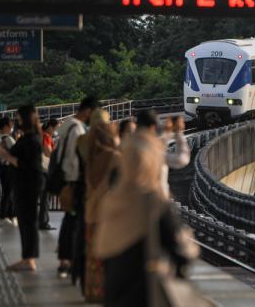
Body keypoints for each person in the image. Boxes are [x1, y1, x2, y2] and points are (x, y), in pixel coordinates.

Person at [94, 127, 196, 307]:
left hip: (113, 292)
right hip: (145, 294)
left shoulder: (111, 199)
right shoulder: (153, 202)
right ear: (152, 163)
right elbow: (182, 251)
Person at [76, 111, 120, 303]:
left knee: (92, 255)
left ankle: (91, 292)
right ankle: (106, 292)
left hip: (90, 211)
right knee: (109, 255)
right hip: (109, 214)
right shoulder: (114, 157)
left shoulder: (88, 155)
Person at [55, 96, 100, 278]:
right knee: (74, 221)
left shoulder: (68, 125)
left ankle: (66, 258)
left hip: (68, 180)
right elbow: (74, 159)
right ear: (88, 111)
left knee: (70, 219)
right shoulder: (77, 129)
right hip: (75, 181)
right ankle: (68, 260)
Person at [0, 105, 43, 272]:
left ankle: (29, 259)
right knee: (26, 222)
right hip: (26, 184)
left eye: (18, 118)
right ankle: (27, 257)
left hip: (27, 185)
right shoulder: (30, 137)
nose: (17, 121)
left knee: (28, 222)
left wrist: (7, 156)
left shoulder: (31, 139)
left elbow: (28, 165)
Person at [135, 111, 190, 197]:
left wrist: (167, 132)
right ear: (153, 127)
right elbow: (182, 160)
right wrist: (178, 132)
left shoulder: (129, 146)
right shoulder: (151, 151)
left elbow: (159, 145)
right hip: (154, 202)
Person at [0, 117, 17, 227]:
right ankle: (5, 216)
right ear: (5, 127)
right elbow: (16, 152)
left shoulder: (0, 138)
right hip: (8, 169)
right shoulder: (7, 139)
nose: (11, 127)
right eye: (10, 125)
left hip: (4, 169)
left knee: (7, 192)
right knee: (8, 193)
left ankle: (6, 216)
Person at [39, 119, 59, 230]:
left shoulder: (43, 136)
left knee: (44, 197)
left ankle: (42, 221)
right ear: (50, 127)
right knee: (45, 198)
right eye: (55, 128)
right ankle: (43, 222)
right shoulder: (46, 136)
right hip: (45, 169)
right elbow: (48, 152)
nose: (56, 131)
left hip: (41, 169)